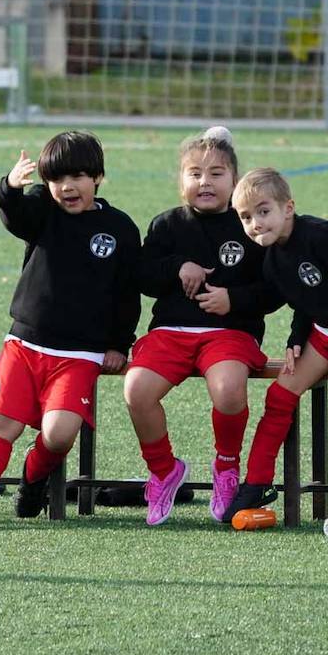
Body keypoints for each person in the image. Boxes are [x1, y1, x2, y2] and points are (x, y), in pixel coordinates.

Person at [0, 131, 140, 529]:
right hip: (24, 345)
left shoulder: (119, 227)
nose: (67, 186)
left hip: (79, 355)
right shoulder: (42, 210)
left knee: (59, 434)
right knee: (0, 425)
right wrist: (9, 188)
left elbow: (127, 293)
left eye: (77, 176)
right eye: (56, 178)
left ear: (97, 177)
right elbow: (15, 216)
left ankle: (32, 479)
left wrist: (119, 343)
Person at [123, 126, 278, 527]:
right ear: (181, 181)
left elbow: (274, 288)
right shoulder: (166, 225)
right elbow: (142, 276)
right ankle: (163, 470)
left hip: (230, 333)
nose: (204, 182)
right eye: (194, 173)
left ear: (234, 180)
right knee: (136, 389)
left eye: (216, 173)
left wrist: (234, 300)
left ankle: (226, 467)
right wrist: (178, 268)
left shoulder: (247, 225)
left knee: (228, 388)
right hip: (170, 332)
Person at [221, 168, 328, 524]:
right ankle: (256, 485)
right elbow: (303, 300)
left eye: (264, 211)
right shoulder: (273, 259)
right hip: (324, 336)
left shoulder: (326, 236)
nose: (256, 223)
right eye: (246, 217)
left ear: (287, 208)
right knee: (279, 397)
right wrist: (296, 339)